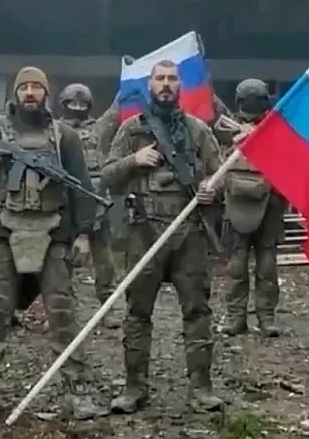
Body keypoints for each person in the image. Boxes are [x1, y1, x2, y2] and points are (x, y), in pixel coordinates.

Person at [0, 67, 106, 422]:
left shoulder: (64, 136)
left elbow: (81, 187)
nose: (29, 93)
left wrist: (83, 233)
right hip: (2, 234)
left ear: (46, 94)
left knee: (63, 314)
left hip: (54, 234)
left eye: (36, 87)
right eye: (23, 87)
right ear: (15, 92)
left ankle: (78, 389)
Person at [100, 59, 225, 414]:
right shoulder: (131, 131)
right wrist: (134, 160)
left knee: (198, 312)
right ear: (150, 85)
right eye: (160, 79)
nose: (166, 84)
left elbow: (220, 175)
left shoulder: (198, 130)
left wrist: (211, 189)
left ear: (180, 86)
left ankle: (201, 389)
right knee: (137, 313)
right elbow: (107, 176)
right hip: (144, 232)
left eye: (172, 79)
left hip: (190, 233)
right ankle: (134, 388)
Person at [219, 78, 286, 338]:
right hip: (235, 203)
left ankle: (266, 317)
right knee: (236, 267)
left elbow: (287, 163)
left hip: (270, 205)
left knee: (266, 267)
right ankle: (236, 317)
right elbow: (215, 160)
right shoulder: (225, 128)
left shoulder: (277, 129)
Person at [57, 83, 122, 330]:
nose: (77, 108)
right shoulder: (54, 130)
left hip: (95, 201)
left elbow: (116, 111)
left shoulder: (99, 128)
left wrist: (131, 78)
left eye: (82, 104)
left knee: (105, 262)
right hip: (65, 202)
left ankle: (108, 309)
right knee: (61, 261)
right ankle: (65, 311)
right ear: (63, 105)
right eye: (72, 103)